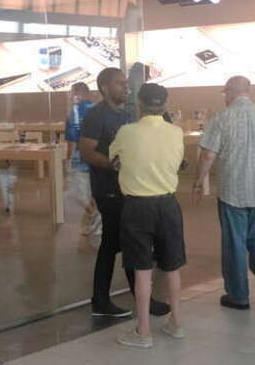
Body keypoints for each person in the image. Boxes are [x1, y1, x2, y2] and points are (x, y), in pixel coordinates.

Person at [194, 76, 255, 310]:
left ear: (229, 93)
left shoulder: (222, 118)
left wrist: (199, 182)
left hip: (233, 193)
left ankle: (238, 296)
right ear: (248, 92)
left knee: (235, 242)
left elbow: (208, 155)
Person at [80, 67, 170, 318]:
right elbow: (87, 152)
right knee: (115, 242)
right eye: (119, 83)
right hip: (109, 190)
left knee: (127, 242)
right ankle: (107, 300)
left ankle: (125, 297)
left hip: (129, 188)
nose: (126, 87)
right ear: (105, 88)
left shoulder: (129, 114)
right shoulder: (97, 115)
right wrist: (113, 164)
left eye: (126, 83)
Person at [110, 83, 185, 349]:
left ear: (139, 104)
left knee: (142, 270)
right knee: (172, 266)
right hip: (167, 205)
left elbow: (114, 159)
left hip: (137, 207)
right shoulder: (176, 132)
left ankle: (143, 331)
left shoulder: (126, 132)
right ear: (165, 105)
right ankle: (176, 323)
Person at [64, 82, 101, 240]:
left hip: (81, 159)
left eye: (72, 93)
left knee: (76, 192)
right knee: (94, 193)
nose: (71, 96)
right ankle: (96, 222)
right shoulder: (99, 110)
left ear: (76, 94)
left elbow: (72, 140)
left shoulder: (74, 112)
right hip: (99, 158)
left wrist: (68, 159)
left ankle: (96, 219)